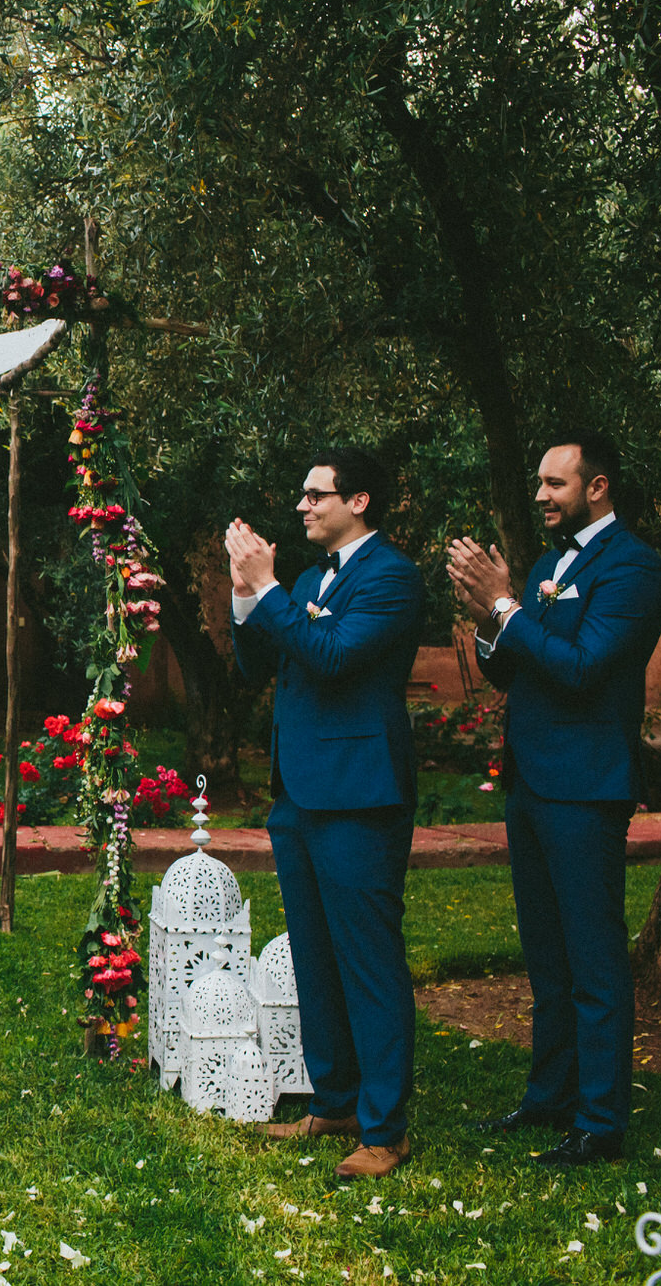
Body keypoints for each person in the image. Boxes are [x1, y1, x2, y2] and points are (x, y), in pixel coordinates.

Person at [448, 431, 661, 1166]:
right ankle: (549, 1096)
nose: (540, 495)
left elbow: (582, 668)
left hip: (586, 787)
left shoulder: (634, 567)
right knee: (546, 957)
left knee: (594, 959)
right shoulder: (547, 566)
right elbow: (518, 670)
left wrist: (506, 603)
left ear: (597, 487)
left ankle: (600, 1120)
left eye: (555, 483)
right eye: (539, 482)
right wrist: (489, 621)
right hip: (531, 780)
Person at [225, 449, 424, 1181]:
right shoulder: (309, 581)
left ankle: (386, 1126)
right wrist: (245, 595)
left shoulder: (392, 577)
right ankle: (335, 1099)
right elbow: (259, 665)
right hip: (299, 793)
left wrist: (269, 587)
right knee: (316, 956)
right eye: (303, 494)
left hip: (361, 794)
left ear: (359, 500)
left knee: (368, 962)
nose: (302, 505)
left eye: (316, 494)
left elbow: (335, 655)